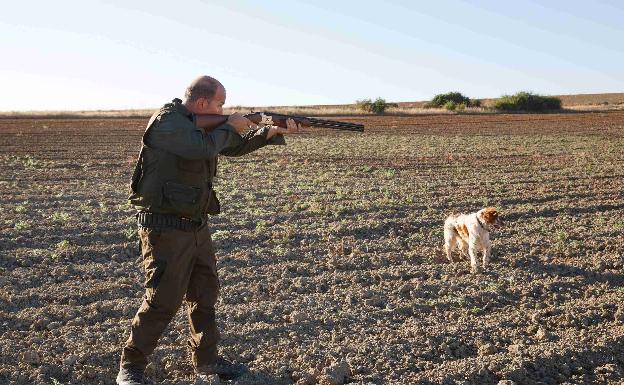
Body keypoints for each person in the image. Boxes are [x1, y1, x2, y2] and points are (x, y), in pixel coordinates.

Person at [116, 76, 302, 385]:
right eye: (220, 104)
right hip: (165, 227)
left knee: (204, 295)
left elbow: (232, 146)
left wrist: (271, 131)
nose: (224, 110)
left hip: (196, 225)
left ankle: (207, 361)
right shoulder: (168, 122)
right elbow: (202, 148)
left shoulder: (200, 124)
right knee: (162, 299)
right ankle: (130, 366)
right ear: (203, 103)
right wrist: (233, 124)